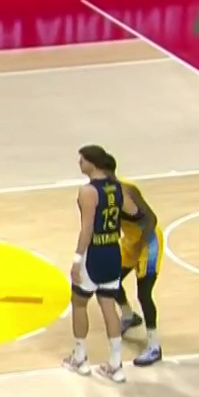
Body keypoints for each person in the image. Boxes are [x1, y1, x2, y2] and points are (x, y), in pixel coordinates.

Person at [65, 146, 134, 383]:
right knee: (108, 306)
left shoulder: (88, 191)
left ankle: (80, 358)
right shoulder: (118, 187)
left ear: (92, 163)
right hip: (113, 251)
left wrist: (77, 260)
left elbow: (87, 229)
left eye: (82, 160)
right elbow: (132, 212)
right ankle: (116, 364)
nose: (79, 163)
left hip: (94, 252)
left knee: (79, 303)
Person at [114, 169, 164, 367]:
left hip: (148, 242)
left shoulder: (128, 190)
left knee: (144, 294)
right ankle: (129, 316)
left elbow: (151, 219)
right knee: (110, 280)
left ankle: (154, 346)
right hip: (130, 242)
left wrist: (139, 244)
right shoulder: (101, 194)